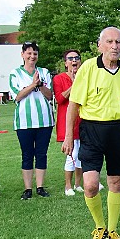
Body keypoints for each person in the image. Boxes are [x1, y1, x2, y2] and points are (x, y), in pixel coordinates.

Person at [62, 27, 120, 239]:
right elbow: (73, 105)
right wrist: (69, 136)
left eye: (118, 42)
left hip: (119, 130)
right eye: (109, 42)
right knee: (90, 185)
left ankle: (113, 229)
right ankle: (99, 227)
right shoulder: (88, 67)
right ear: (100, 45)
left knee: (116, 182)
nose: (114, 46)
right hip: (92, 131)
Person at [8, 41, 55, 200]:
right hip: (24, 122)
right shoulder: (15, 73)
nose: (32, 56)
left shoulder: (44, 72)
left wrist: (40, 84)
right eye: (28, 53)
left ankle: (40, 187)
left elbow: (49, 95)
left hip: (44, 121)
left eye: (34, 53)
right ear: (22, 54)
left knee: (41, 154)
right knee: (27, 154)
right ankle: (28, 188)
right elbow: (17, 96)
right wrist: (32, 85)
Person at [53, 50, 83, 196]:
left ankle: (78, 184)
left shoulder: (84, 77)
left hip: (83, 121)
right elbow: (60, 99)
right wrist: (74, 85)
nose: (74, 61)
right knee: (72, 153)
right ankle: (67, 186)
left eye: (76, 58)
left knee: (81, 154)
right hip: (67, 122)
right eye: (70, 59)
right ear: (65, 63)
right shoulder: (59, 79)